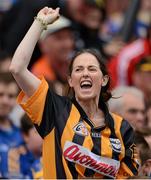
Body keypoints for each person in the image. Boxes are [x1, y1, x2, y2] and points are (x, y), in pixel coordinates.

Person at [9, 7, 139, 179]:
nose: (85, 73)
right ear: (71, 81)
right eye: (78, 69)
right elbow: (17, 68)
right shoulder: (54, 110)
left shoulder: (122, 128)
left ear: (104, 80)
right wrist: (39, 22)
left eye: (92, 69)